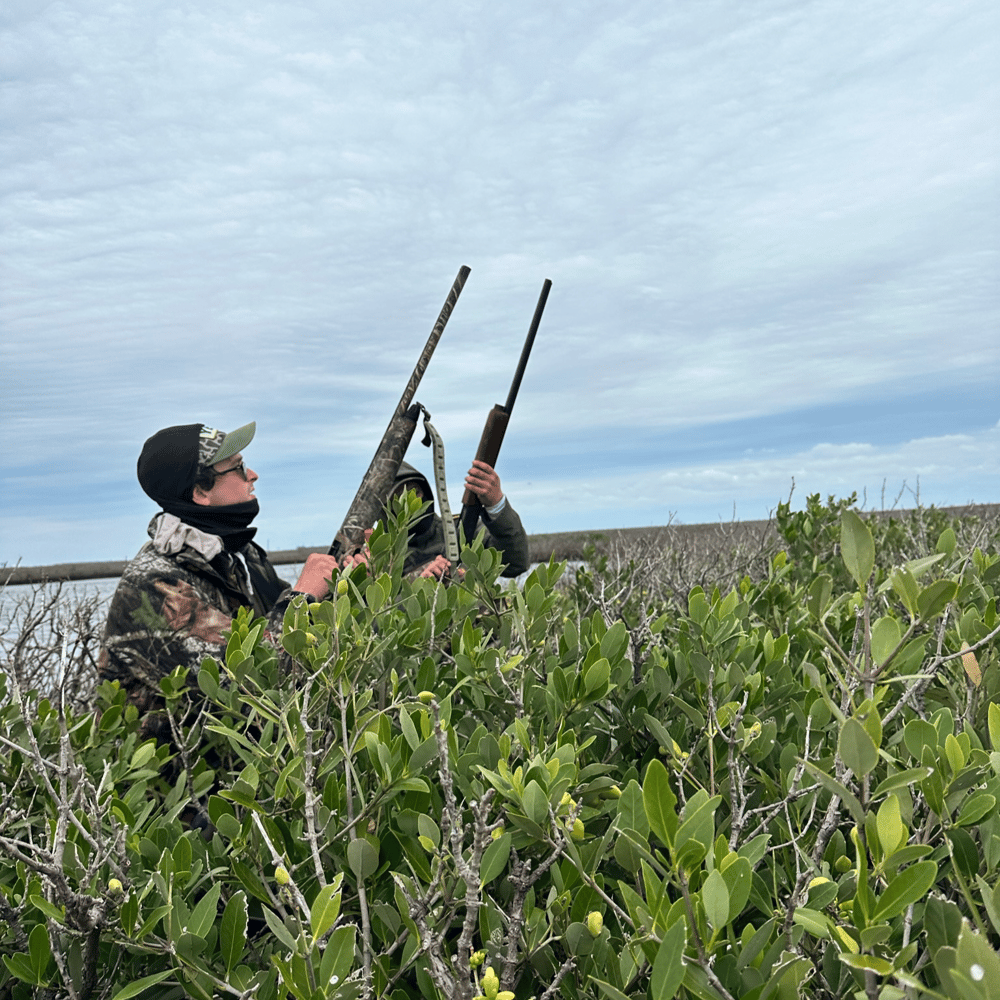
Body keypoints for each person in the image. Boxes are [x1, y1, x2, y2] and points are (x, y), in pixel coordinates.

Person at [98, 421, 350, 722]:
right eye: (239, 467)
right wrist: (301, 599)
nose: (253, 475)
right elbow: (248, 684)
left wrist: (352, 580)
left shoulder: (236, 554)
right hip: (179, 766)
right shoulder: (154, 584)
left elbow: (279, 625)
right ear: (200, 491)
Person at [391, 458, 529, 580]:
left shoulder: (462, 529)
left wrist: (496, 505)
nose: (410, 501)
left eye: (415, 492)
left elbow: (515, 563)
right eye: (398, 498)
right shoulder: (378, 554)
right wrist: (420, 582)